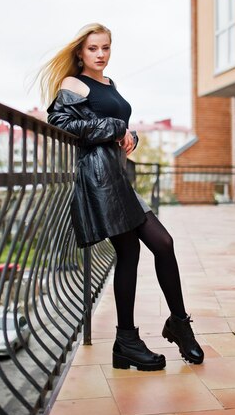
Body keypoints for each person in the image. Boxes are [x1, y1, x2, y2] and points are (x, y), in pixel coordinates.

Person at [41, 23, 204, 371]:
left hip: (117, 176)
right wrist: (116, 129)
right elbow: (59, 121)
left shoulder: (109, 84)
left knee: (141, 250)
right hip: (99, 180)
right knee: (158, 243)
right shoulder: (74, 83)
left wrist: (129, 137)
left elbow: (113, 126)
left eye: (105, 48)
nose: (100, 55)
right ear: (80, 53)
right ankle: (156, 332)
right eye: (93, 49)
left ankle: (138, 338)